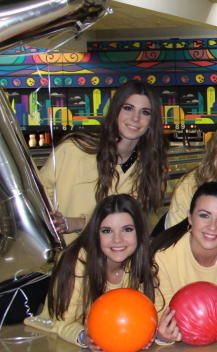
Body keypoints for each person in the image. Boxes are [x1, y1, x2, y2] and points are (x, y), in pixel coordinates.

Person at [25, 195, 157, 351]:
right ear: (96, 234)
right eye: (107, 231)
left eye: (127, 230)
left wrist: (146, 333)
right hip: (53, 342)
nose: (117, 240)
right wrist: (84, 337)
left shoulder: (143, 261)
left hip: (116, 343)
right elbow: (60, 322)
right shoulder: (75, 261)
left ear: (139, 233)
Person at [39, 80, 167, 242]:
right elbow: (38, 199)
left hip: (116, 263)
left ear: (152, 122)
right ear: (115, 111)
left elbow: (128, 225)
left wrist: (78, 223)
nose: (136, 118)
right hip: (71, 261)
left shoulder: (149, 169)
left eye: (145, 112)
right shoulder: (73, 150)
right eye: (128, 108)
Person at [153, 182, 217, 344]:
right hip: (178, 350)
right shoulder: (163, 254)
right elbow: (160, 309)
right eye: (204, 215)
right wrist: (163, 334)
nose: (212, 227)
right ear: (190, 217)